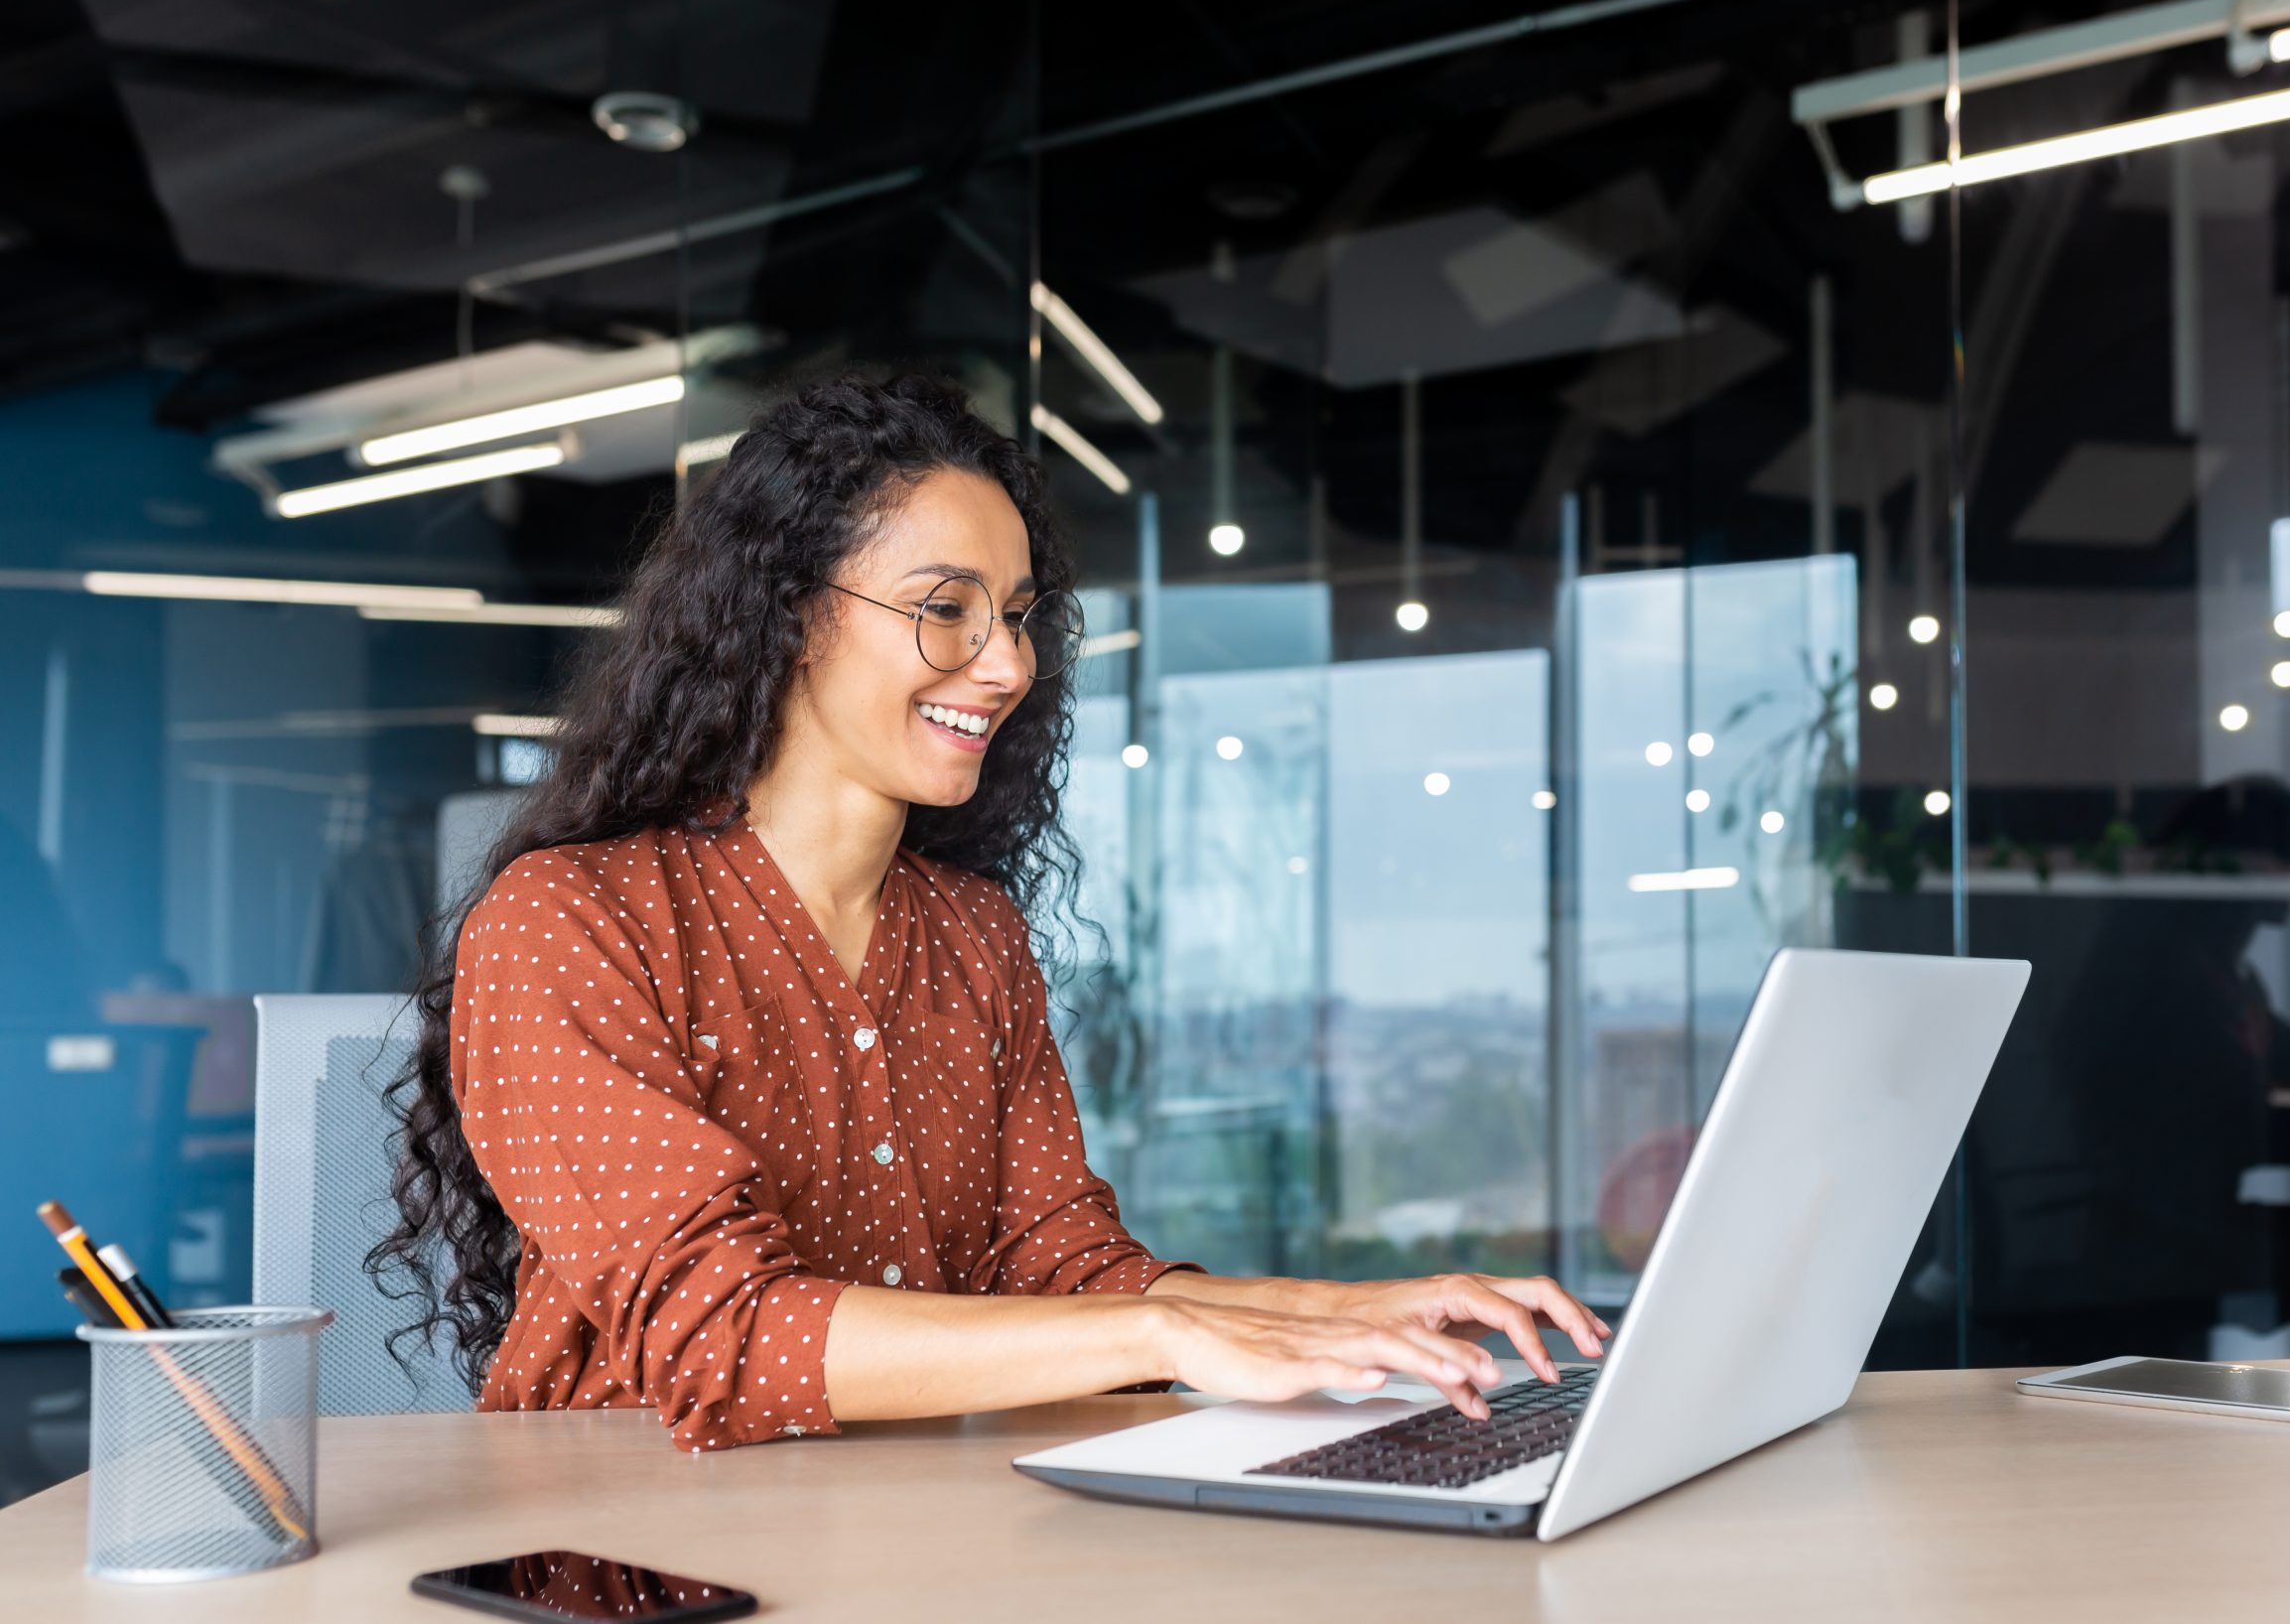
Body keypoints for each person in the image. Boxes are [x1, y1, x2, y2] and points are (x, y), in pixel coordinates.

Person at [372, 371, 1606, 1451]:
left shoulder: (971, 937)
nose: (1008, 663)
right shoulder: (572, 921)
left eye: (1014, 615)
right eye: (946, 608)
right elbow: (721, 1332)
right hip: (626, 1553)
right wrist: (1174, 1331)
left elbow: (1061, 1268)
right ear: (793, 611)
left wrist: (1350, 1314)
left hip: (911, 1522)